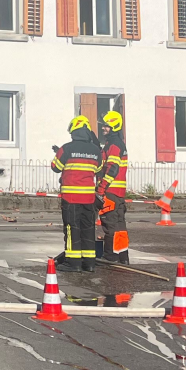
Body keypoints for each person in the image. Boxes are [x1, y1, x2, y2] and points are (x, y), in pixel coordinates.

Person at [51, 115, 101, 272]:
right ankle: (89, 263)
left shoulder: (67, 148)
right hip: (89, 198)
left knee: (72, 229)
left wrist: (60, 153)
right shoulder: (95, 150)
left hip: (71, 198)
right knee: (88, 228)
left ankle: (73, 263)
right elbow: (98, 169)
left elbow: (55, 167)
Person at [96, 108, 129, 265]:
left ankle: (110, 256)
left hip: (110, 191)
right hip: (119, 193)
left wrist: (102, 187)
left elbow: (112, 168)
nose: (103, 128)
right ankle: (122, 255)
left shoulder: (114, 145)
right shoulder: (116, 143)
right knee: (119, 227)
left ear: (114, 126)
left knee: (110, 225)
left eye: (106, 126)